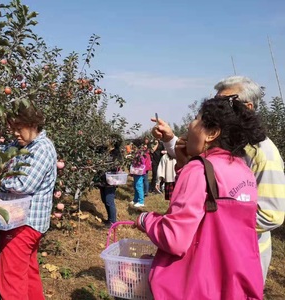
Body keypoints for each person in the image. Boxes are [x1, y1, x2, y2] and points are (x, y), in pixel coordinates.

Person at [152, 75, 285, 282]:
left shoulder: (263, 151)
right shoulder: (223, 146)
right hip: (212, 250)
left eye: (226, 102)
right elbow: (198, 168)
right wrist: (171, 141)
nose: (218, 107)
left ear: (247, 107)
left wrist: (210, 223)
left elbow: (271, 215)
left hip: (244, 252)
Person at [136, 96, 265, 299]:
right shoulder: (244, 171)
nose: (190, 124)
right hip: (232, 286)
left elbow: (175, 239)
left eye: (196, 119)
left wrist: (146, 219)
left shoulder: (198, 170)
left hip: (196, 288)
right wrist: (184, 166)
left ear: (212, 133)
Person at [0, 102, 57, 299]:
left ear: (33, 124)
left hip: (24, 224)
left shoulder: (42, 148)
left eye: (18, 128)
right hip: (23, 221)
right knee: (28, 272)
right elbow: (1, 150)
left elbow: (24, 184)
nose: (14, 133)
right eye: (12, 128)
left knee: (12, 280)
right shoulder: (22, 144)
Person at [95, 137, 124, 228]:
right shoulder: (103, 150)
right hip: (102, 179)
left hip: (111, 179)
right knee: (104, 199)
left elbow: (115, 165)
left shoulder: (116, 153)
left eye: (109, 140)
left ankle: (112, 222)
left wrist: (104, 164)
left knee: (109, 200)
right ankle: (109, 219)